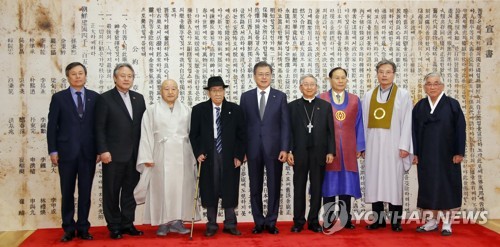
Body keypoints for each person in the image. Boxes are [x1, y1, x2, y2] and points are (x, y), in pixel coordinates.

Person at [135, 79, 198, 236]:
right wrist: (146, 156)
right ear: (160, 91)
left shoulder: (186, 110)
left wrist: (196, 156)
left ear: (178, 91)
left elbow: (194, 135)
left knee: (181, 188)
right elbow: (146, 135)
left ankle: (178, 221)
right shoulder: (151, 110)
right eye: (166, 89)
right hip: (160, 155)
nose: (170, 92)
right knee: (160, 189)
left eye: (173, 89)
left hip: (183, 154)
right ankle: (162, 222)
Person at [47, 62, 99, 242]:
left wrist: (100, 150)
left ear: (85, 76)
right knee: (67, 192)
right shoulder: (59, 98)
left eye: (81, 73)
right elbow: (52, 126)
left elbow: (98, 127)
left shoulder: (95, 97)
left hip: (88, 153)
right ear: (68, 77)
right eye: (74, 74)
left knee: (85, 192)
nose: (78, 77)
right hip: (66, 153)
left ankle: (83, 227)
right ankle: (68, 228)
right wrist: (53, 150)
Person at [189, 76, 246, 237]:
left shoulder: (235, 109)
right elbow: (194, 135)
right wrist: (198, 152)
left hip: (229, 153)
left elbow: (242, 135)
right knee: (210, 187)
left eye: (220, 90)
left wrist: (238, 155)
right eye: (214, 90)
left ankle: (230, 223)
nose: (217, 93)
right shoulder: (199, 110)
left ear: (224, 91)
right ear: (209, 93)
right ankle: (211, 224)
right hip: (209, 153)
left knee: (229, 186)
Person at [95, 63, 146, 239]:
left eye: (129, 76)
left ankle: (127, 223)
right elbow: (99, 127)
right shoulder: (105, 98)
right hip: (113, 155)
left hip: (135, 155)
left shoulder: (138, 98)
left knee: (130, 191)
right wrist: (103, 150)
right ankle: (114, 226)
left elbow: (143, 128)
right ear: (115, 78)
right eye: (122, 76)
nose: (126, 79)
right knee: (111, 191)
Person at [362, 59, 413, 232]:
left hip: (394, 146)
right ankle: (378, 220)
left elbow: (407, 121)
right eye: (381, 71)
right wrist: (362, 146)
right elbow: (362, 122)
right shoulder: (369, 95)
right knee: (375, 181)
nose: (384, 75)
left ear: (394, 74)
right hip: (373, 146)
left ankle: (396, 221)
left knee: (393, 182)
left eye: (388, 72)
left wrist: (405, 145)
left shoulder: (403, 95)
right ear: (376, 74)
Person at [240, 61, 291, 234]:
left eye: (267, 74)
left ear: (271, 75)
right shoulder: (246, 97)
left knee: (274, 186)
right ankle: (258, 222)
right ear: (254, 76)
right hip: (252, 149)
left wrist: (285, 148)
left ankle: (271, 221)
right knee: (255, 187)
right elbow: (243, 126)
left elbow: (285, 125)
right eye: (260, 74)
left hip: (275, 150)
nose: (263, 77)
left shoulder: (280, 96)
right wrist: (242, 150)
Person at [412, 72, 466, 236]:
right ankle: (431, 221)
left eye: (436, 83)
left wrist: (459, 152)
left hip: (447, 155)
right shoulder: (420, 106)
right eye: (429, 83)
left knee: (447, 186)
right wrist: (415, 152)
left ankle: (447, 223)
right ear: (424, 87)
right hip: (426, 155)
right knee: (428, 186)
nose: (432, 87)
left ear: (442, 86)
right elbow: (413, 132)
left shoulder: (452, 105)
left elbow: (460, 130)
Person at [318, 67, 365, 230]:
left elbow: (359, 124)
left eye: (343, 78)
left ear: (347, 80)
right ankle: (328, 219)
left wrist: (359, 146)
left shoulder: (354, 100)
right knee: (329, 185)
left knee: (346, 185)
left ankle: (346, 219)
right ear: (330, 80)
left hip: (349, 148)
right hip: (328, 150)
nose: (340, 81)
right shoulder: (322, 98)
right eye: (336, 78)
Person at [287, 74, 335, 233]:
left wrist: (331, 151)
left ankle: (313, 220)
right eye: (305, 84)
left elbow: (330, 132)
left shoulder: (325, 106)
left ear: (316, 87)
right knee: (299, 188)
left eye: (312, 84)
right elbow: (288, 131)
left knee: (316, 188)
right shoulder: (292, 106)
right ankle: (298, 221)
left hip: (319, 153)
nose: (308, 87)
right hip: (299, 153)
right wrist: (289, 151)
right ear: (300, 87)